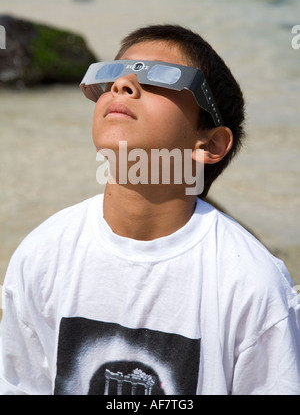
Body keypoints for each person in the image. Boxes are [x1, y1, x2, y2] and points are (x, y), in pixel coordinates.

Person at [0, 24, 299, 395]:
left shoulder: (250, 284)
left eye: (159, 78)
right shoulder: (43, 256)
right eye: (112, 74)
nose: (122, 85)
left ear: (209, 143)